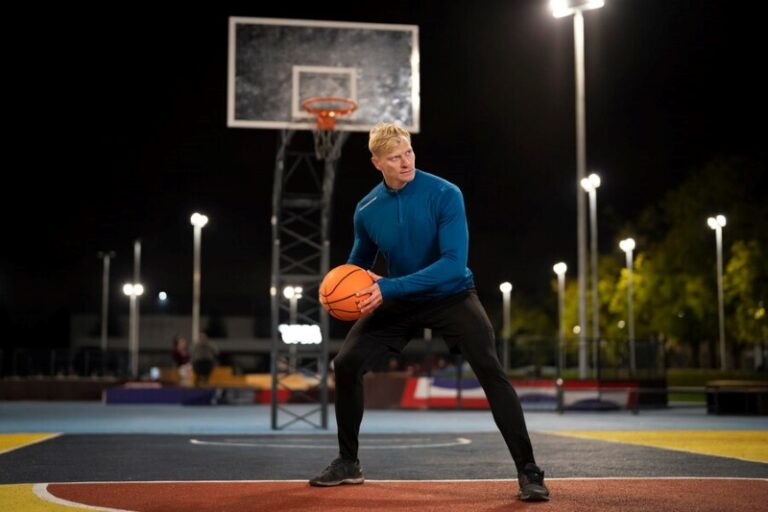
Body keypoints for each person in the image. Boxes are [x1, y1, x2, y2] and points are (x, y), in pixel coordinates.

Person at [308, 123, 549, 501]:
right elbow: (358, 266)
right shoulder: (367, 210)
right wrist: (339, 288)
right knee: (347, 363)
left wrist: (387, 286)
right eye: (394, 158)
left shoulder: (444, 193)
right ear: (377, 163)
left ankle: (529, 471)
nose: (405, 162)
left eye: (408, 152)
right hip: (400, 301)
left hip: (450, 295)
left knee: (490, 369)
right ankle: (348, 463)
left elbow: (453, 265)